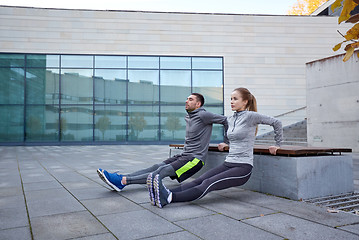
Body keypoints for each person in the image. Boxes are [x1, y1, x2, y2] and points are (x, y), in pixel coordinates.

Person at [151, 87, 283, 208]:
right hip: (228, 163)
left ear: (245, 102)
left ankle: (169, 198)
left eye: (235, 99)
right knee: (200, 180)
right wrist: (226, 143)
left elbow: (276, 122)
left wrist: (277, 144)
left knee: (208, 183)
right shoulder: (231, 119)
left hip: (243, 167)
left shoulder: (251, 116)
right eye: (231, 99)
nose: (231, 101)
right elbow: (231, 132)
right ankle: (164, 193)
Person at [97, 93, 229, 205]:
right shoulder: (190, 117)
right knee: (156, 166)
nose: (186, 101)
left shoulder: (203, 115)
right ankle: (122, 177)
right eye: (187, 99)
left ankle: (123, 181)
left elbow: (226, 120)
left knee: (162, 171)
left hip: (194, 159)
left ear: (198, 104)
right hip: (184, 155)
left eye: (190, 99)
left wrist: (226, 142)